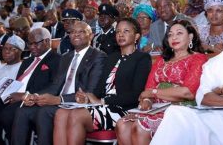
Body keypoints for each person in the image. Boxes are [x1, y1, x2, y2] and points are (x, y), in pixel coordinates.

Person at [150, 11, 223, 145]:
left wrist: (220, 90)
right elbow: (204, 97)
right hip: (216, 112)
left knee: (196, 127)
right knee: (175, 112)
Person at [52, 17, 152, 145]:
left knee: (76, 116)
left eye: (126, 31)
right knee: (61, 113)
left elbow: (135, 94)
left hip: (123, 109)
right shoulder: (111, 57)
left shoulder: (142, 58)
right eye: (118, 32)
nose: (120, 34)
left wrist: (103, 101)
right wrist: (87, 97)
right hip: (102, 106)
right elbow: (99, 89)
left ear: (137, 36)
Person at [11, 21, 106, 145]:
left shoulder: (98, 56)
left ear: (91, 36)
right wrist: (36, 97)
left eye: (81, 31)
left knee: (44, 112)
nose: (76, 35)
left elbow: (91, 91)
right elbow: (55, 85)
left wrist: (58, 99)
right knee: (22, 111)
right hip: (59, 102)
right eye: (72, 32)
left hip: (79, 104)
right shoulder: (66, 57)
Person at [116, 19, 207, 145]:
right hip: (155, 108)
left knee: (141, 126)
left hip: (180, 109)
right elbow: (148, 89)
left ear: (190, 36)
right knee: (122, 124)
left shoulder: (197, 58)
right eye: (170, 34)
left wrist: (153, 93)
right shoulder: (161, 60)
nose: (174, 37)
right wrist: (146, 103)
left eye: (179, 33)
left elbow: (187, 93)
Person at [0, 28, 61, 144]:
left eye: (35, 43)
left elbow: (55, 86)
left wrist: (26, 96)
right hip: (11, 98)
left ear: (47, 41)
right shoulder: (27, 61)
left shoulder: (57, 60)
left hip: (32, 101)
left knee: (9, 114)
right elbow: (17, 83)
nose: (31, 47)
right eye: (29, 43)